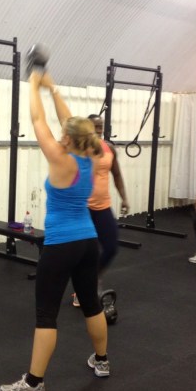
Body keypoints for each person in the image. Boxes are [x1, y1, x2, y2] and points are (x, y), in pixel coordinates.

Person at [0, 71, 110, 391]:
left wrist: (34, 85)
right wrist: (54, 89)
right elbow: (71, 122)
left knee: (46, 314)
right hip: (88, 243)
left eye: (64, 135)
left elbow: (38, 119)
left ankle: (34, 384)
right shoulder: (94, 153)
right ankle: (102, 360)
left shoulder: (61, 159)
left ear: (70, 140)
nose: (60, 136)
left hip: (61, 245)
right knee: (91, 303)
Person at [72, 114, 129, 306]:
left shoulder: (109, 148)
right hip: (84, 208)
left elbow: (117, 174)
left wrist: (124, 198)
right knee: (85, 252)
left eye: (100, 126)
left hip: (103, 207)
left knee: (111, 248)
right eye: (95, 126)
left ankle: (94, 278)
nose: (98, 130)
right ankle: (81, 289)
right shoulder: (80, 150)